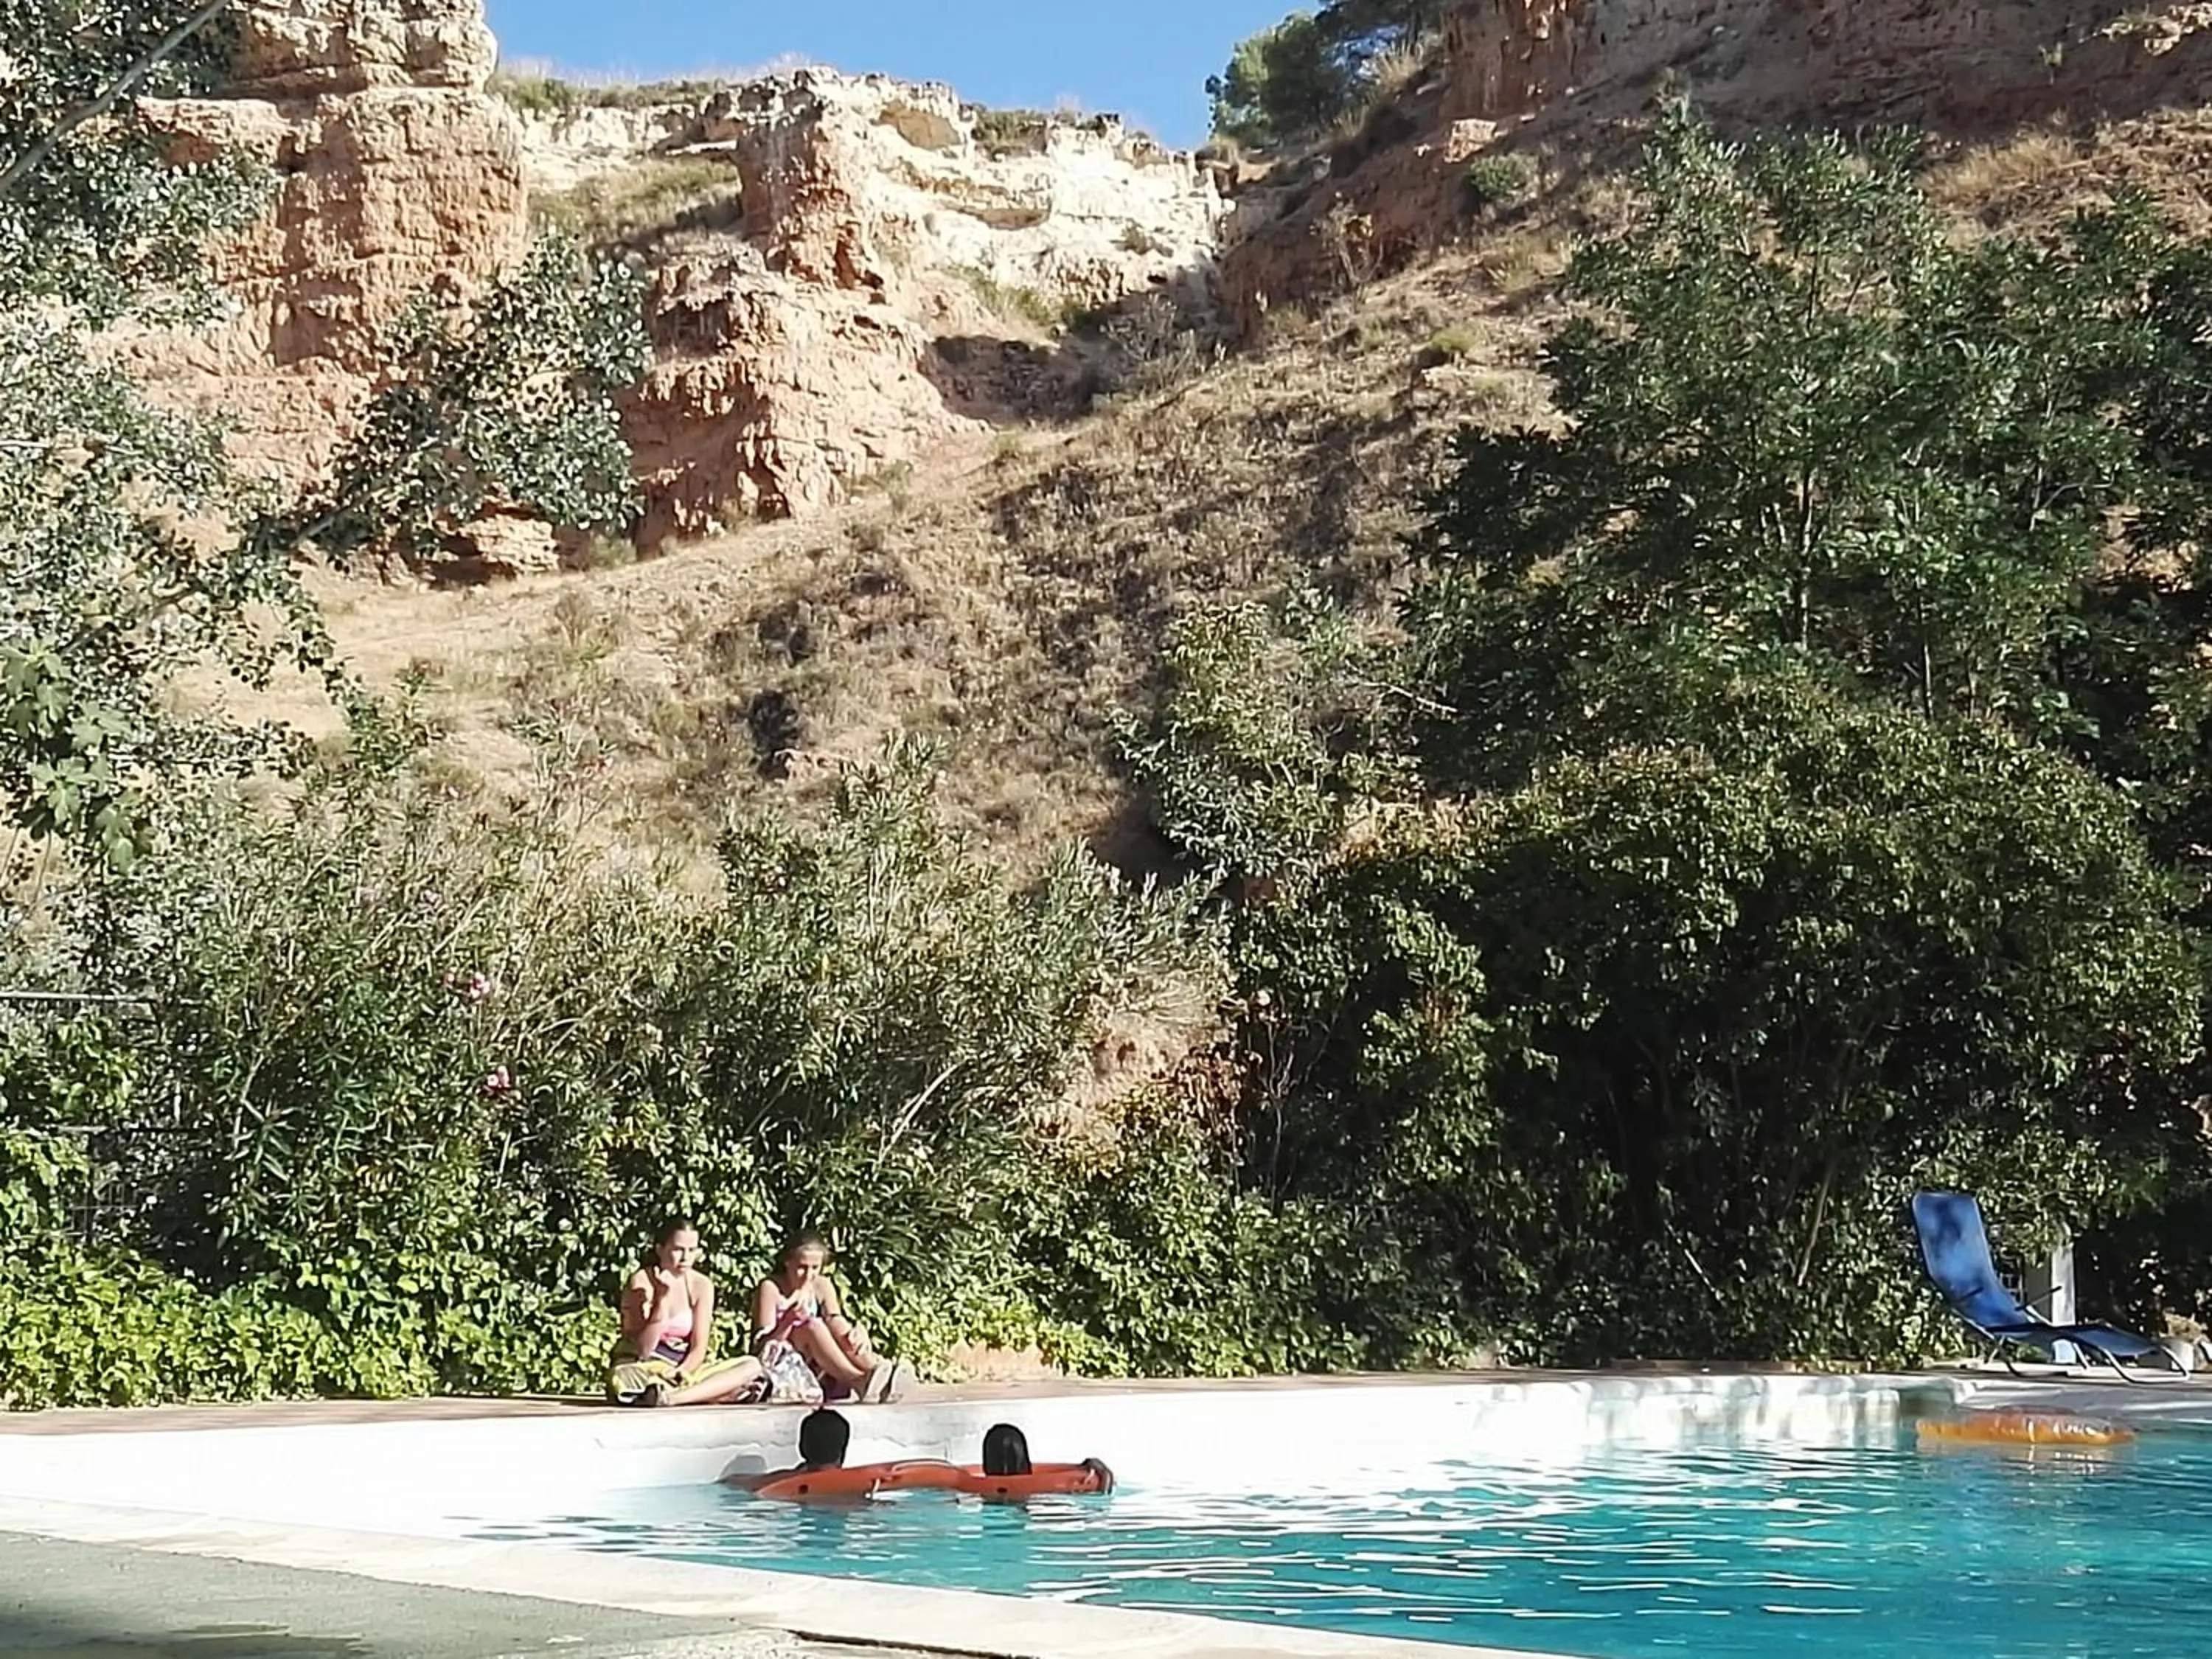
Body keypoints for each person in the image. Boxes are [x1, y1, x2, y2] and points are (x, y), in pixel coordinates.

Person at [608, 1216, 768, 1408]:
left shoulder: (701, 1285)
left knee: (751, 1366)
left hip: (684, 1370)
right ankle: (705, 1393)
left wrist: (682, 1372)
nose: (685, 1258)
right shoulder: (642, 1282)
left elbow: (699, 1347)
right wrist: (662, 1300)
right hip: (646, 1366)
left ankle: (673, 1398)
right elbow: (643, 1349)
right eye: (678, 1250)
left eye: (692, 1250)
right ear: (660, 1250)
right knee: (624, 1377)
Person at [753, 1230, 912, 1402]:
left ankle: (876, 1370)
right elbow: (764, 1346)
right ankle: (858, 1381)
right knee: (813, 1326)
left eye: (815, 1268)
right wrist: (788, 1321)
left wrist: (857, 1333)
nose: (809, 1275)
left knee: (837, 1324)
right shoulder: (771, 1288)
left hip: (817, 1360)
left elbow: (836, 1319)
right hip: (783, 1362)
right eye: (802, 1268)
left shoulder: (822, 1285)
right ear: (787, 1263)